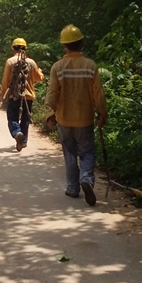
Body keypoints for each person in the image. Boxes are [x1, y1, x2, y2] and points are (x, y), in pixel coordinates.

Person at [44, 24, 108, 206]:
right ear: (81, 43)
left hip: (64, 120)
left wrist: (50, 113)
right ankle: (86, 179)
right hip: (84, 120)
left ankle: (73, 188)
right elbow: (98, 94)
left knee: (70, 153)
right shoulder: (90, 66)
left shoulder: (58, 67)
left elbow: (52, 92)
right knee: (87, 152)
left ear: (64, 45)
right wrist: (102, 113)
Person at [0, 37, 45, 151]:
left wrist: (3, 94)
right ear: (25, 49)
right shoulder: (31, 62)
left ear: (13, 49)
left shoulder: (10, 62)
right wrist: (40, 72)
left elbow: (6, 80)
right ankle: (23, 140)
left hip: (13, 95)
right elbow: (38, 78)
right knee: (25, 118)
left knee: (12, 117)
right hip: (28, 95)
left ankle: (17, 132)